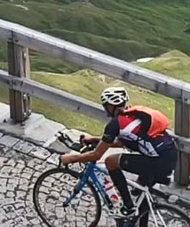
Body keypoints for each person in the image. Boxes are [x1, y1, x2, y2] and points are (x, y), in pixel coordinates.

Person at [60, 86, 177, 217]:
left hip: (157, 161)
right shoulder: (131, 115)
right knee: (140, 192)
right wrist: (94, 139)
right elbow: (122, 142)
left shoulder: (115, 124)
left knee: (111, 161)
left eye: (106, 107)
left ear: (111, 106)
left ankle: (128, 207)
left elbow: (96, 155)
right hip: (169, 155)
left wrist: (71, 158)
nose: (105, 111)